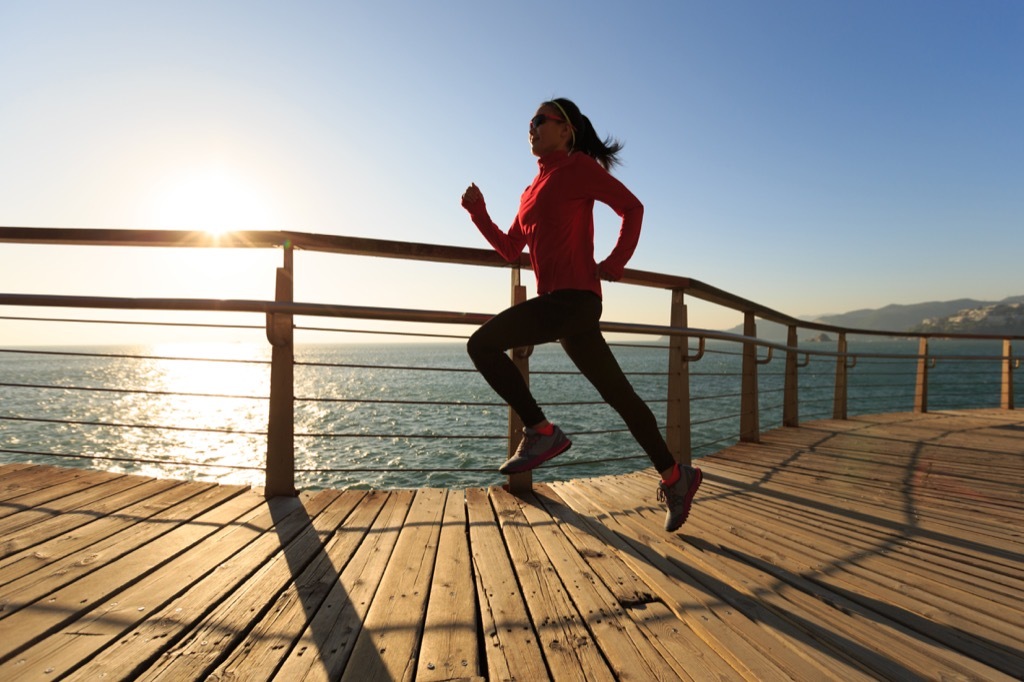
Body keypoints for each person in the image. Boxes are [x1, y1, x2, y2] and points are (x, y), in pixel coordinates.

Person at [460, 97, 702, 531]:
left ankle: (541, 430)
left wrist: (615, 262)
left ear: (566, 130)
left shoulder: (580, 168)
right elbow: (511, 250)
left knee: (481, 344)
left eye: (540, 120)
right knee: (619, 395)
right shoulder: (530, 190)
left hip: (574, 301)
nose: (531, 128)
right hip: (562, 306)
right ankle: (675, 476)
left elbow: (633, 208)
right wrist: (479, 214)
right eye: (529, 123)